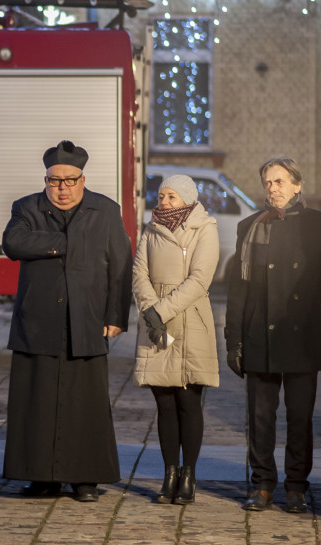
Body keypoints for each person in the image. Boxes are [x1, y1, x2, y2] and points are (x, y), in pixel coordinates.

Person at [1, 140, 132, 502]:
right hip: (38, 321)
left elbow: (121, 265)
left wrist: (117, 314)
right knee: (35, 404)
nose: (62, 188)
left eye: (69, 181)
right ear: (45, 180)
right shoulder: (26, 207)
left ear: (82, 179)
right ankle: (40, 477)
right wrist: (66, 241)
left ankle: (85, 478)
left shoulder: (105, 211)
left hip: (87, 319)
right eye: (54, 181)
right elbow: (13, 242)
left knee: (85, 405)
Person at [225, 156, 321, 513]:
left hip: (303, 336)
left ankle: (296, 486)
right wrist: (234, 341)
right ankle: (262, 484)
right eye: (267, 182)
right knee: (260, 418)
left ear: (297, 185)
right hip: (259, 334)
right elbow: (238, 290)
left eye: (279, 181)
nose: (272, 188)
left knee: (300, 418)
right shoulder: (250, 226)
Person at [132, 174, 220, 505]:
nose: (164, 202)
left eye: (171, 197)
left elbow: (199, 280)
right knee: (164, 403)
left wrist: (161, 311)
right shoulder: (151, 230)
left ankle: (189, 474)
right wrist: (150, 312)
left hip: (189, 321)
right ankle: (169, 472)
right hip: (155, 322)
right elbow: (139, 275)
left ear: (186, 199)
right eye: (161, 196)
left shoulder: (204, 228)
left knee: (188, 401)